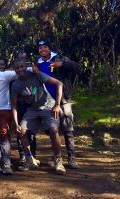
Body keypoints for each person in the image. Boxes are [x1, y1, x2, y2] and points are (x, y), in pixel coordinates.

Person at [11, 59, 66, 175]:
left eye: (22, 67)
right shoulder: (15, 84)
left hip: (48, 106)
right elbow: (14, 105)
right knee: (22, 131)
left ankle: (58, 160)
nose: (20, 69)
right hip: (33, 109)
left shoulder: (36, 75)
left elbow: (59, 84)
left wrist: (57, 104)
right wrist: (16, 124)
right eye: (17, 68)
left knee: (54, 130)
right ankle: (30, 160)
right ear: (14, 70)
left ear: (25, 67)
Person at [36, 39, 82, 169]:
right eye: (40, 48)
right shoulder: (37, 63)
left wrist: (62, 64)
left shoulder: (60, 58)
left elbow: (79, 68)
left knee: (68, 128)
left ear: (49, 48)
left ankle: (71, 158)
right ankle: (56, 157)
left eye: (45, 47)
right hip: (47, 101)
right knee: (52, 129)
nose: (43, 50)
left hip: (63, 99)